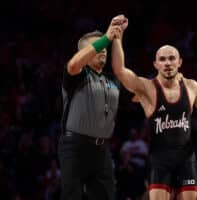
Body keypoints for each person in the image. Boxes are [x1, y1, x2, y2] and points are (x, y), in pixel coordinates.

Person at [111, 15, 197, 200]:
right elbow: (119, 70)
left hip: (186, 160)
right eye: (163, 59)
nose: (167, 63)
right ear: (156, 64)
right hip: (160, 161)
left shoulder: (191, 87)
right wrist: (117, 38)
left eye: (172, 58)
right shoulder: (147, 88)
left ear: (180, 62)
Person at [58, 16, 123, 200]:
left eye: (105, 47)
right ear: (84, 52)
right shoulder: (78, 74)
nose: (103, 49)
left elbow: (122, 70)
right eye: (98, 46)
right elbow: (72, 64)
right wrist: (106, 37)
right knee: (72, 196)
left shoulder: (112, 79)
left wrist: (117, 37)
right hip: (75, 146)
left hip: (102, 150)